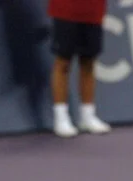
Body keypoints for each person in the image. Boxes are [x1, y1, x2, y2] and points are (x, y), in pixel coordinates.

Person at [48, 0, 111, 137]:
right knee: (63, 63)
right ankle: (61, 118)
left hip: (93, 10)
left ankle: (87, 116)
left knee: (88, 62)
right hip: (65, 9)